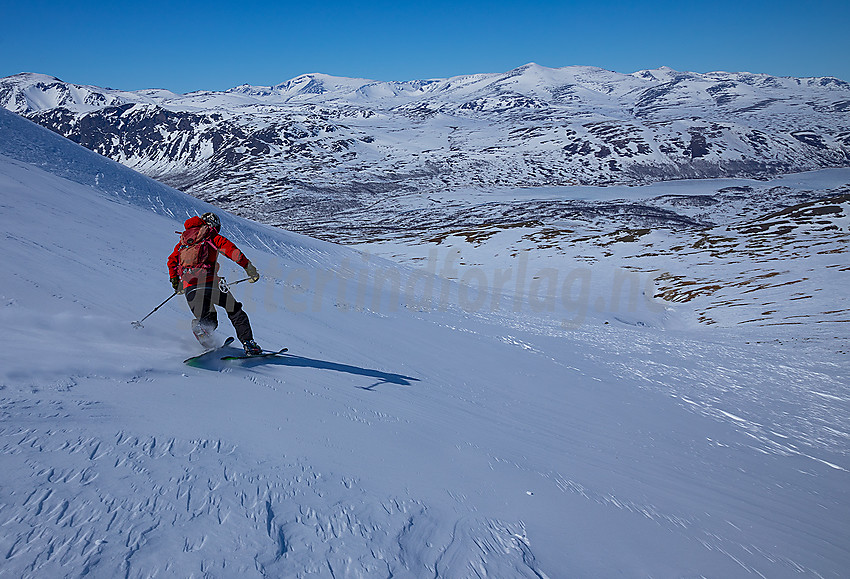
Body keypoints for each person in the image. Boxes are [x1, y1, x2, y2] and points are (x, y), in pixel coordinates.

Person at [167, 212, 262, 355]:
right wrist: (249, 268)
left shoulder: (182, 242)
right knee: (235, 311)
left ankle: (203, 334)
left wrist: (176, 283)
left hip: (190, 288)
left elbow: (171, 262)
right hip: (211, 284)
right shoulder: (211, 236)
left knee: (208, 320)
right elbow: (232, 251)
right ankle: (249, 344)